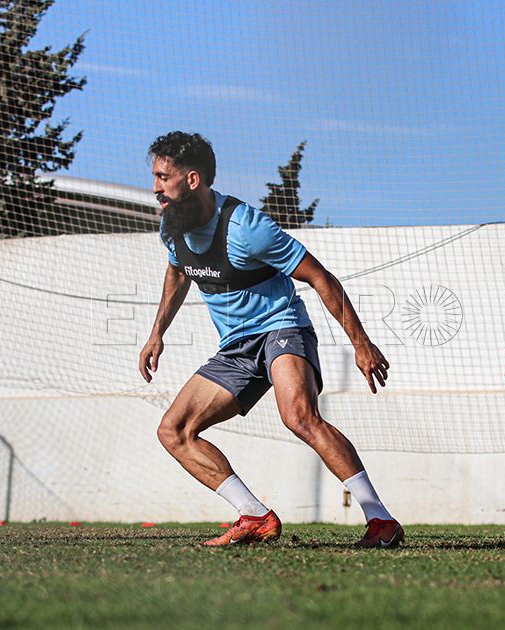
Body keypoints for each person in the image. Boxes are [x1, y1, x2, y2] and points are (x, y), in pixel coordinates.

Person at [139, 131, 403, 548]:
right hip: (236, 348)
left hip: (282, 328)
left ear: (192, 180)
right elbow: (177, 272)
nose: (155, 187)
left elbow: (320, 277)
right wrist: (157, 334)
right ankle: (254, 515)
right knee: (174, 430)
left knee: (298, 416)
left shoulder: (248, 228)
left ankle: (381, 520)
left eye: (162, 177)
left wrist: (361, 343)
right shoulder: (172, 228)